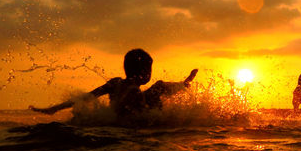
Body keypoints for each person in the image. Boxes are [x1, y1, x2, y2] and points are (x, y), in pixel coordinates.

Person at [29, 49, 198, 117]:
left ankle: (184, 83)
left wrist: (54, 109)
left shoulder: (115, 83)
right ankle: (185, 84)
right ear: (145, 72)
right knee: (159, 88)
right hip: (136, 125)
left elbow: (87, 97)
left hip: (117, 123)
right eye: (149, 69)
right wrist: (187, 82)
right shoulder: (129, 87)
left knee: (158, 88)